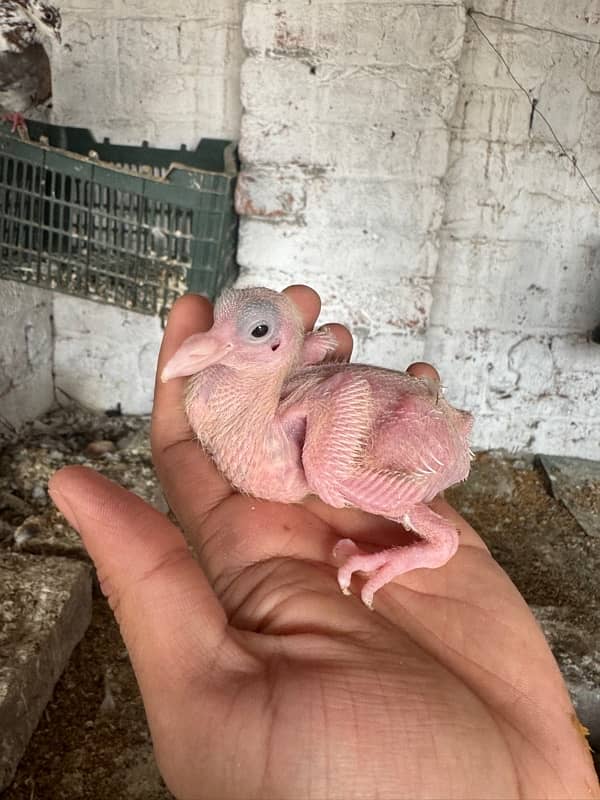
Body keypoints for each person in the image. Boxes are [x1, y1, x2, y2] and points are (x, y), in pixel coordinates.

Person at [49, 286, 599, 800]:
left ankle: (435, 543)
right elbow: (315, 359)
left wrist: (339, 467)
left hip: (416, 429)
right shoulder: (255, 380)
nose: (214, 342)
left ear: (283, 344)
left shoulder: (308, 442)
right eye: (222, 326)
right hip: (352, 395)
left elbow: (351, 386)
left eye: (257, 333)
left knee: (335, 477)